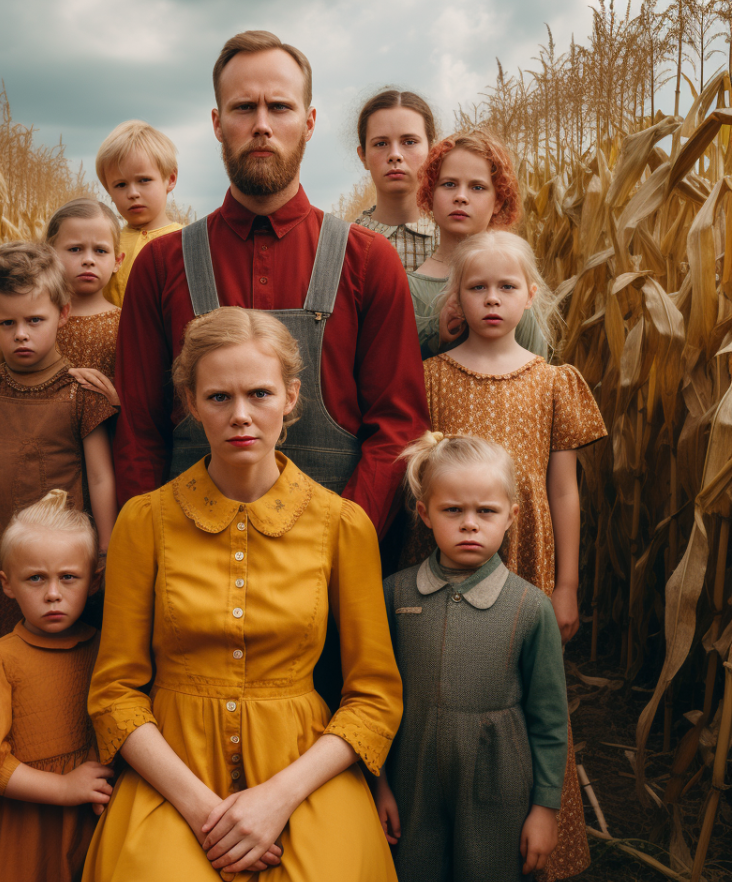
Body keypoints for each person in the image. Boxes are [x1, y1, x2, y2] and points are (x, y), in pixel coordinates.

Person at [76, 308, 404, 882]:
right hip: (173, 770)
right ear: (191, 403)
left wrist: (275, 799)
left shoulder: (342, 525)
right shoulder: (144, 522)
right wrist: (206, 812)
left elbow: (374, 699)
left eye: (259, 393)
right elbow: (115, 693)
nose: (241, 416)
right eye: (219, 396)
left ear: (292, 396)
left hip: (304, 770)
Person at [112, 30, 429, 539]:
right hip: (189, 557)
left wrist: (343, 543)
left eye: (279, 107)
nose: (261, 125)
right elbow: (137, 435)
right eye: (243, 108)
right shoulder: (160, 264)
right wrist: (150, 546)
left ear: (308, 122)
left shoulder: (370, 261)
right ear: (217, 124)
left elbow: (397, 429)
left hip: (333, 558)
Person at [421, 231, 607, 882]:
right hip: (447, 564)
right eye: (477, 287)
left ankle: (539, 840)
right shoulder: (431, 379)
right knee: (453, 692)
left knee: (528, 695)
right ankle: (447, 842)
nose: (493, 299)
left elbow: (564, 490)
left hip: (527, 560)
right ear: (458, 298)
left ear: (530, 295)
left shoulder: (555, 382)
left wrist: (565, 585)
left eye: (507, 287)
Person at [378, 432, 568, 882]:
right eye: (452, 511)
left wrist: (544, 809)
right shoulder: (395, 595)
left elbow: (550, 720)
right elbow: (372, 699)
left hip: (498, 785)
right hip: (411, 779)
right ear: (424, 514)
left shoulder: (530, 608)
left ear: (511, 517)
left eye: (485, 511)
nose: (469, 524)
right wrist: (378, 784)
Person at [0, 242, 117, 654]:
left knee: (65, 649)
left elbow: (100, 475)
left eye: (35, 320)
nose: (21, 334)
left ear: (63, 314)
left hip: (63, 553)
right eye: (6, 323)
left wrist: (107, 548)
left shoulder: (80, 394)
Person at [0, 490, 114, 882]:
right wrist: (64, 788)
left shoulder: (105, 650)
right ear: (8, 585)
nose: (53, 593)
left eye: (68, 577)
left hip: (87, 812)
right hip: (21, 820)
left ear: (94, 580)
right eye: (35, 578)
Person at [413, 129, 548, 360]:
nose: (461, 196)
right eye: (448, 184)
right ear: (430, 194)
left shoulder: (514, 282)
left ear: (498, 201)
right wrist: (438, 338)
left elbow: (536, 373)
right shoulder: (408, 290)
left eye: (477, 187)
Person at [46, 197, 124, 407]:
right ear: (49, 254)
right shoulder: (35, 321)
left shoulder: (125, 324)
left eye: (100, 250)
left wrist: (118, 401)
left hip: (108, 434)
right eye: (75, 249)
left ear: (117, 261)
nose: (88, 260)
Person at [96, 119, 182, 307]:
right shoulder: (105, 246)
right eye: (120, 185)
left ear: (170, 179)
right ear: (108, 190)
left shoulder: (187, 242)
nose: (132, 193)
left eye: (144, 180)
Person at [354, 88, 437, 276]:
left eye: (409, 142)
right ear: (363, 156)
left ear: (432, 152)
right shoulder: (345, 243)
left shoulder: (458, 240)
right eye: (381, 144)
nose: (395, 155)